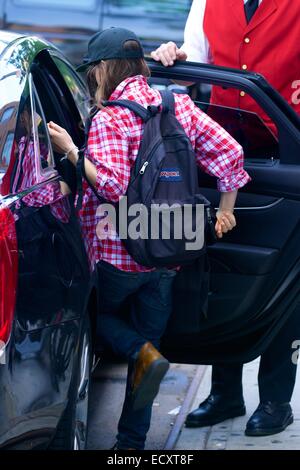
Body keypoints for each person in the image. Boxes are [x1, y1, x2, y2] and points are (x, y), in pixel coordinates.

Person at [48, 27, 250, 450]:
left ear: (103, 69)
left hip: (118, 254)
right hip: (169, 251)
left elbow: (113, 188)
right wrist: (226, 211)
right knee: (150, 346)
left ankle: (140, 351)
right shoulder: (178, 104)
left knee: (96, 326)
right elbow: (231, 153)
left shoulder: (110, 117)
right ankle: (131, 445)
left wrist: (70, 150)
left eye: (92, 72)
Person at [151, 0, 300, 436]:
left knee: (286, 277)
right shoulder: (207, 1)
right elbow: (193, 57)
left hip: (286, 153)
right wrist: (172, 55)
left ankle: (275, 401)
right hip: (219, 154)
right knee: (223, 268)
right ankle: (225, 395)